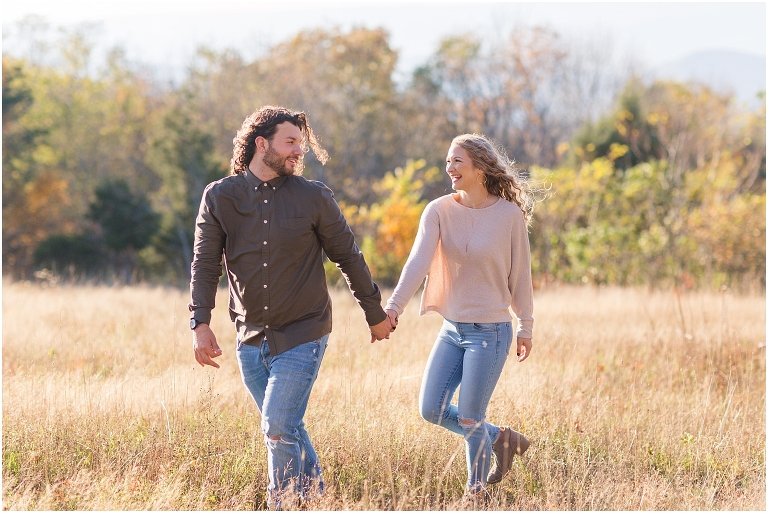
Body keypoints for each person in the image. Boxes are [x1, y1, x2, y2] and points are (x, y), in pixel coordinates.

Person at [188, 106, 394, 509]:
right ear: (260, 144)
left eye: (301, 143)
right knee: (287, 426)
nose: (299, 151)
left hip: (304, 331)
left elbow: (347, 257)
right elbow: (204, 262)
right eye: (291, 142)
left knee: (278, 427)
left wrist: (375, 314)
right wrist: (200, 322)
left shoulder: (314, 196)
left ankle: (280, 504)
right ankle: (316, 498)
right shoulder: (220, 196)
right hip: (249, 338)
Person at [382, 133, 535, 499]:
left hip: (491, 332)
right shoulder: (438, 210)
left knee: (469, 417)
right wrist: (393, 308)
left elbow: (521, 276)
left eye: (457, 161)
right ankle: (502, 439)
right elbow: (418, 261)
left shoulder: (509, 216)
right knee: (431, 408)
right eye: (448, 161)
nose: (449, 168)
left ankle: (476, 495)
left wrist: (525, 325)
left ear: (480, 168)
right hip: (452, 330)